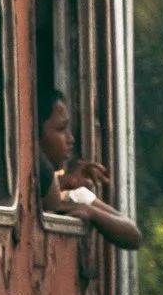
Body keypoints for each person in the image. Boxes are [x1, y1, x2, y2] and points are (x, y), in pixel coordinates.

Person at [39, 94, 141, 248]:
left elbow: (133, 235)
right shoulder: (49, 183)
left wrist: (90, 212)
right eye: (61, 129)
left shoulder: (71, 192)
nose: (70, 138)